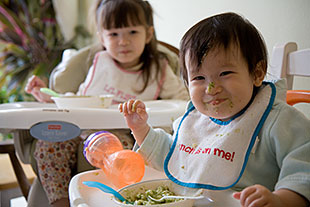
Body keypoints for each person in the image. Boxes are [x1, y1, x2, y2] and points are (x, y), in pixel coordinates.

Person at [119, 12, 310, 207]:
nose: (212, 88)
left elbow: (303, 170)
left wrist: (281, 200)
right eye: (198, 78)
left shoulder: (278, 121)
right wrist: (140, 129)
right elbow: (171, 155)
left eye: (225, 73)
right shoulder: (198, 120)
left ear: (257, 73)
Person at [25, 0, 189, 206]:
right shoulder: (98, 62)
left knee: (126, 153)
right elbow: (78, 99)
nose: (123, 41)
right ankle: (62, 202)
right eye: (113, 34)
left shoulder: (159, 69)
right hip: (80, 131)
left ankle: (113, 199)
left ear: (148, 34)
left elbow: (182, 102)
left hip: (121, 134)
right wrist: (48, 97)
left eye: (132, 32)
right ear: (101, 37)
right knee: (48, 143)